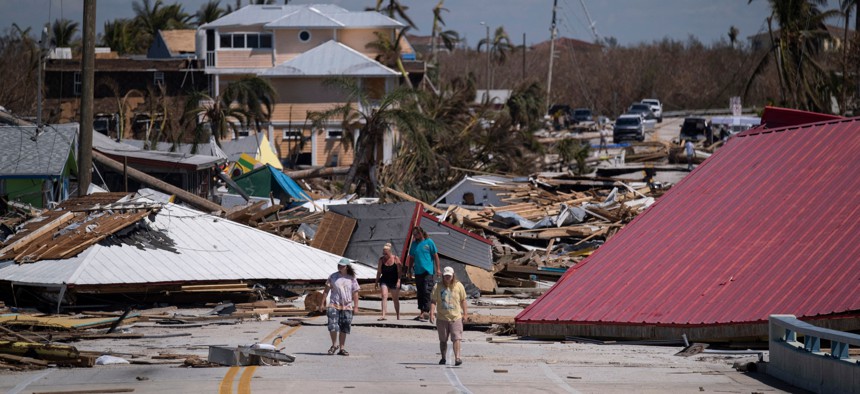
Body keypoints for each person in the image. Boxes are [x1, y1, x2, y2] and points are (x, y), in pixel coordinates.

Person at [319, 257, 360, 356]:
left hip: (346, 306)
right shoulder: (333, 277)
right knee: (332, 326)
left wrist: (356, 307)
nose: (340, 267)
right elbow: (326, 291)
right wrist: (322, 303)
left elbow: (355, 293)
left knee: (344, 327)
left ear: (347, 267)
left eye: (342, 266)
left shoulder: (351, 278)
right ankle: (334, 345)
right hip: (334, 304)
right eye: (339, 265)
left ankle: (342, 348)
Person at [429, 266, 468, 366]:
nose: (447, 278)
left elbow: (463, 300)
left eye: (449, 276)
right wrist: (431, 313)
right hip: (442, 317)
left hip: (456, 317)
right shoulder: (437, 286)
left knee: (456, 338)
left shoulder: (459, 286)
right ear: (443, 276)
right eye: (446, 276)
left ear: (453, 276)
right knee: (443, 340)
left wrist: (465, 314)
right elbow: (433, 301)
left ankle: (457, 358)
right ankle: (443, 358)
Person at [405, 226, 440, 322]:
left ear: (421, 233)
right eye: (414, 235)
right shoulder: (414, 244)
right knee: (420, 292)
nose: (415, 236)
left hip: (428, 271)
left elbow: (435, 256)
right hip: (418, 271)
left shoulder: (429, 242)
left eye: (416, 234)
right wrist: (409, 270)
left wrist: (438, 269)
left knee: (427, 290)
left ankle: (426, 311)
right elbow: (411, 258)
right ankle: (421, 311)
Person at [375, 242, 402, 321]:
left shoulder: (396, 259)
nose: (385, 255)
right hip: (384, 279)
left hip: (394, 280)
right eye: (384, 253)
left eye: (386, 253)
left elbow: (399, 272)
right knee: (384, 295)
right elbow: (379, 271)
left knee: (395, 299)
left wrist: (399, 281)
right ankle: (383, 315)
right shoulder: (381, 260)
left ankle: (398, 315)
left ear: (390, 252)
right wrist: (376, 281)